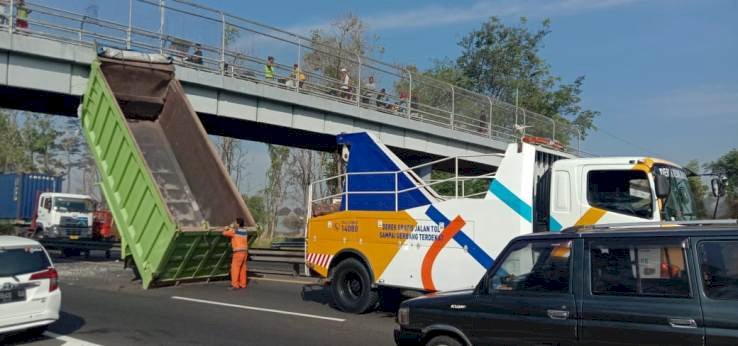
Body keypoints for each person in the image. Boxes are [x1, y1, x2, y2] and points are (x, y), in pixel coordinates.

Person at [222, 218, 248, 290]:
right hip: (245, 252)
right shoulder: (245, 231)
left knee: (235, 268)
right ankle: (243, 284)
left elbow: (224, 233)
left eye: (235, 222)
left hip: (238, 252)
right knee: (242, 268)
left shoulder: (234, 231)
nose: (234, 223)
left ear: (238, 224)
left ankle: (234, 285)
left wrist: (226, 228)